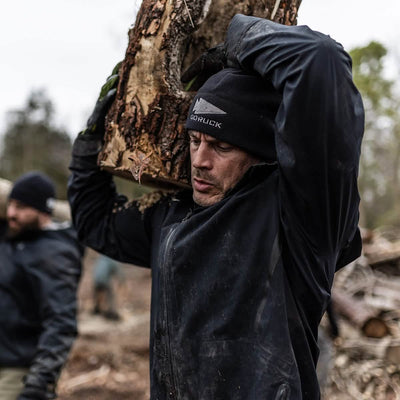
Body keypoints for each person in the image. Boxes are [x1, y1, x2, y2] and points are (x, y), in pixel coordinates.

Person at [68, 14, 364, 400]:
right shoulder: (171, 218)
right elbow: (94, 222)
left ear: (260, 154)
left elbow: (319, 59)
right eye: (195, 141)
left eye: (221, 147)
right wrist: (89, 145)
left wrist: (237, 41)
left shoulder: (300, 218)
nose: (200, 161)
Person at [0, 171, 83, 400]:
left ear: (43, 212)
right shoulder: (14, 234)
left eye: (20, 207)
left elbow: (61, 322)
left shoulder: (54, 254)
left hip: (18, 370)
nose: (11, 214)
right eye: (10, 205)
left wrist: (38, 383)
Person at [92, 254, 122, 320]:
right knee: (110, 295)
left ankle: (97, 309)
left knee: (98, 294)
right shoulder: (111, 260)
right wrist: (121, 280)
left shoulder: (101, 259)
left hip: (96, 280)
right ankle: (111, 311)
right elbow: (118, 272)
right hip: (104, 280)